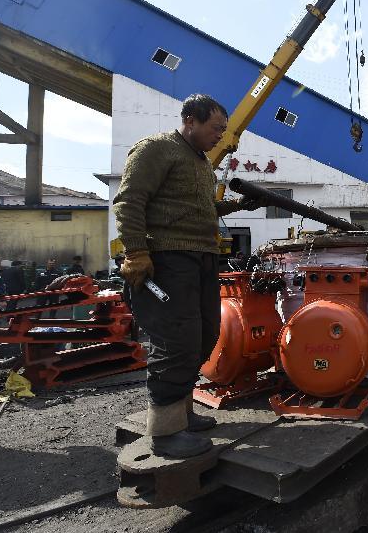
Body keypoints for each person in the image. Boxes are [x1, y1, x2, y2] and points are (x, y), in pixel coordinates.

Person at [113, 93, 264, 459]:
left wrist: (239, 205)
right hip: (168, 259)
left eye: (224, 130)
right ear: (190, 120)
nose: (221, 137)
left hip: (202, 258)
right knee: (176, 341)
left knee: (205, 335)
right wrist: (135, 251)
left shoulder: (199, 162)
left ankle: (182, 411)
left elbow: (203, 207)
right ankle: (165, 433)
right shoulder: (156, 149)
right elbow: (129, 200)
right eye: (216, 129)